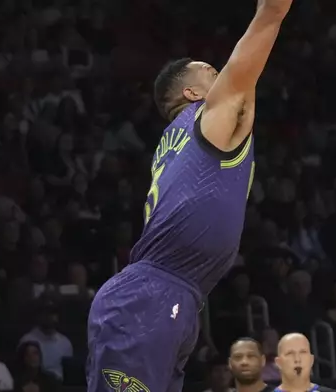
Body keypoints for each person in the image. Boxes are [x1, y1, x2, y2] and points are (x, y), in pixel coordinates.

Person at [85, 0, 293, 390]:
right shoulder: (207, 117)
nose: (224, 74)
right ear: (192, 91)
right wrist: (273, 11)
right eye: (213, 71)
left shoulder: (176, 139)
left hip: (174, 296)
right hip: (150, 295)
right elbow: (262, 32)